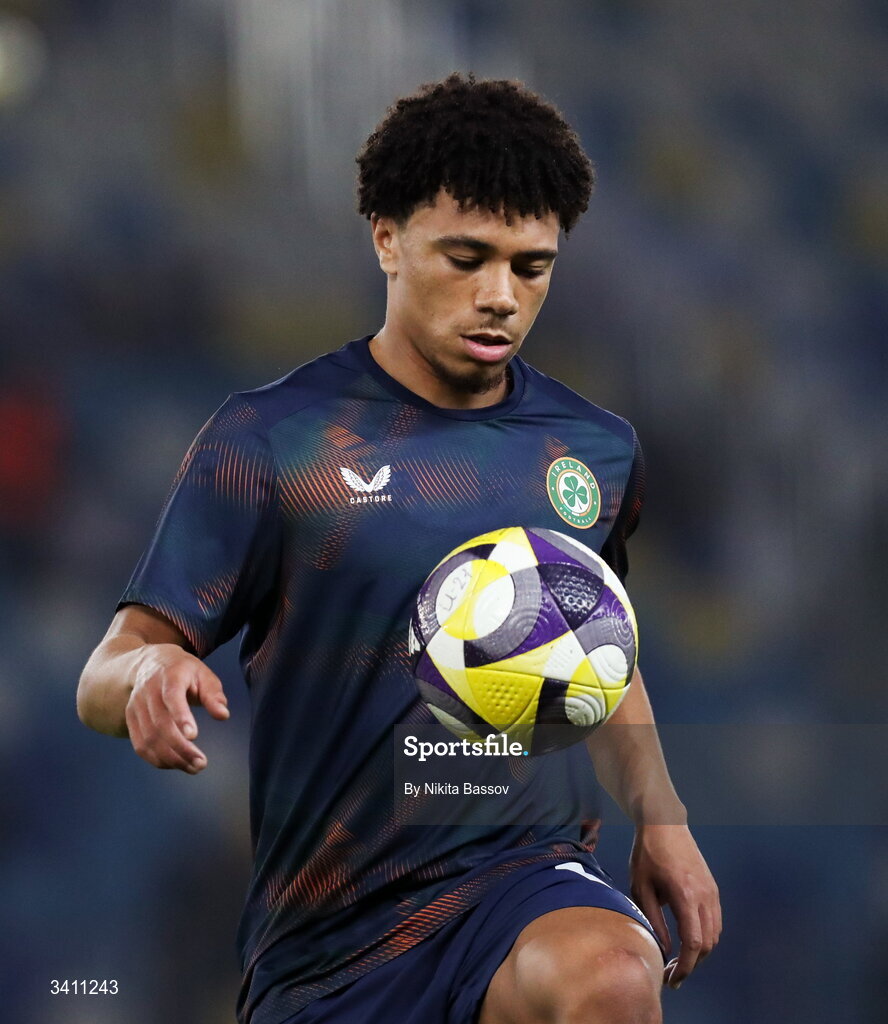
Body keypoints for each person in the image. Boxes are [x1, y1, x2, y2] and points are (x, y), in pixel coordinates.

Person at [78, 73, 720, 1024]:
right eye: (467, 256)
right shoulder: (272, 440)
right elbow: (109, 664)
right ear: (386, 236)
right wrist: (149, 676)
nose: (500, 296)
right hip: (331, 944)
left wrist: (661, 818)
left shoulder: (592, 449)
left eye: (531, 267)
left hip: (523, 880)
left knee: (611, 976)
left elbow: (597, 652)